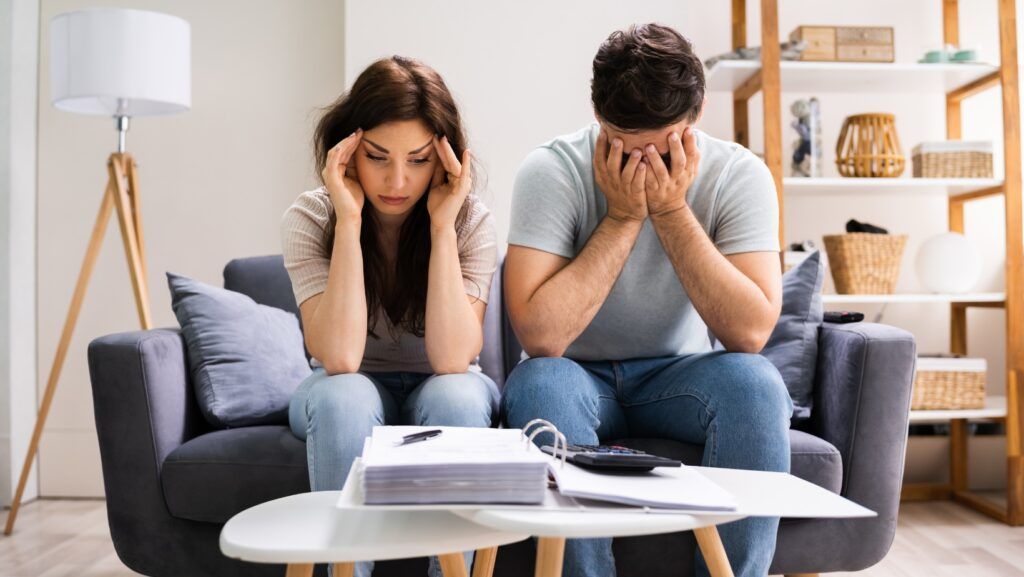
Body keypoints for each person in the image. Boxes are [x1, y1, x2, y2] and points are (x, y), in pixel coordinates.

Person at [502, 23, 793, 577]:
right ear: (596, 111)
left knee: (757, 384)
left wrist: (672, 210)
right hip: (574, 374)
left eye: (659, 146)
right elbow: (541, 336)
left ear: (697, 112)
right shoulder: (552, 170)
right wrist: (622, 216)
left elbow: (749, 333)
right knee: (539, 381)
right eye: (621, 142)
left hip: (679, 377)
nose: (641, 164)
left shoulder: (738, 174)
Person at [280, 56, 499, 577]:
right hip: (344, 385)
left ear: (445, 159)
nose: (397, 180)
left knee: (459, 395)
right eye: (377, 157)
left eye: (419, 160)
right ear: (347, 150)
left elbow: (452, 360)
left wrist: (443, 228)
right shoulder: (310, 218)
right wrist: (351, 221)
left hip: (441, 384)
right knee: (342, 394)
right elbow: (337, 357)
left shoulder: (470, 222)